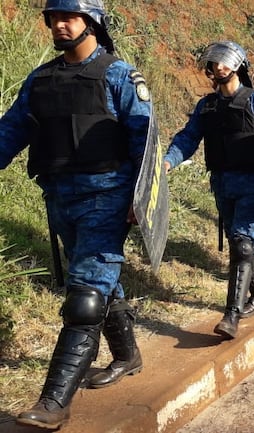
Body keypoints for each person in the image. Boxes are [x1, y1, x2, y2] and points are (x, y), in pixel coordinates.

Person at [0, 1, 149, 428]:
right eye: (54, 18)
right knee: (103, 282)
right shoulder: (40, 79)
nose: (60, 25)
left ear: (92, 22)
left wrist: (143, 200)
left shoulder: (119, 75)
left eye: (69, 17)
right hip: (58, 197)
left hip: (107, 198)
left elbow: (144, 141)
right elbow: (12, 129)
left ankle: (53, 403)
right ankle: (127, 355)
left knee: (85, 297)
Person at [164, 41, 254, 339]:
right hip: (222, 184)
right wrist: (166, 162)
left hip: (253, 184)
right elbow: (188, 139)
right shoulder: (207, 106)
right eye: (215, 64)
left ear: (238, 65)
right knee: (241, 244)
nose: (219, 68)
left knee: (241, 244)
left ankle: (231, 315)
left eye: (225, 63)